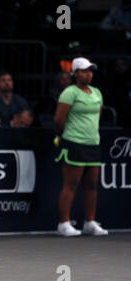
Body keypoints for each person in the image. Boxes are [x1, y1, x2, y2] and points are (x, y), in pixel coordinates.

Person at [54, 57, 108, 237]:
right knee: (71, 184)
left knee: (91, 185)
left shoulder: (97, 93)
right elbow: (58, 120)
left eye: (90, 71)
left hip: (93, 143)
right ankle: (63, 224)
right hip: (73, 142)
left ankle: (89, 222)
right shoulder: (69, 93)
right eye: (84, 71)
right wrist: (64, 136)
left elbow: (97, 117)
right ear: (75, 73)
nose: (88, 74)